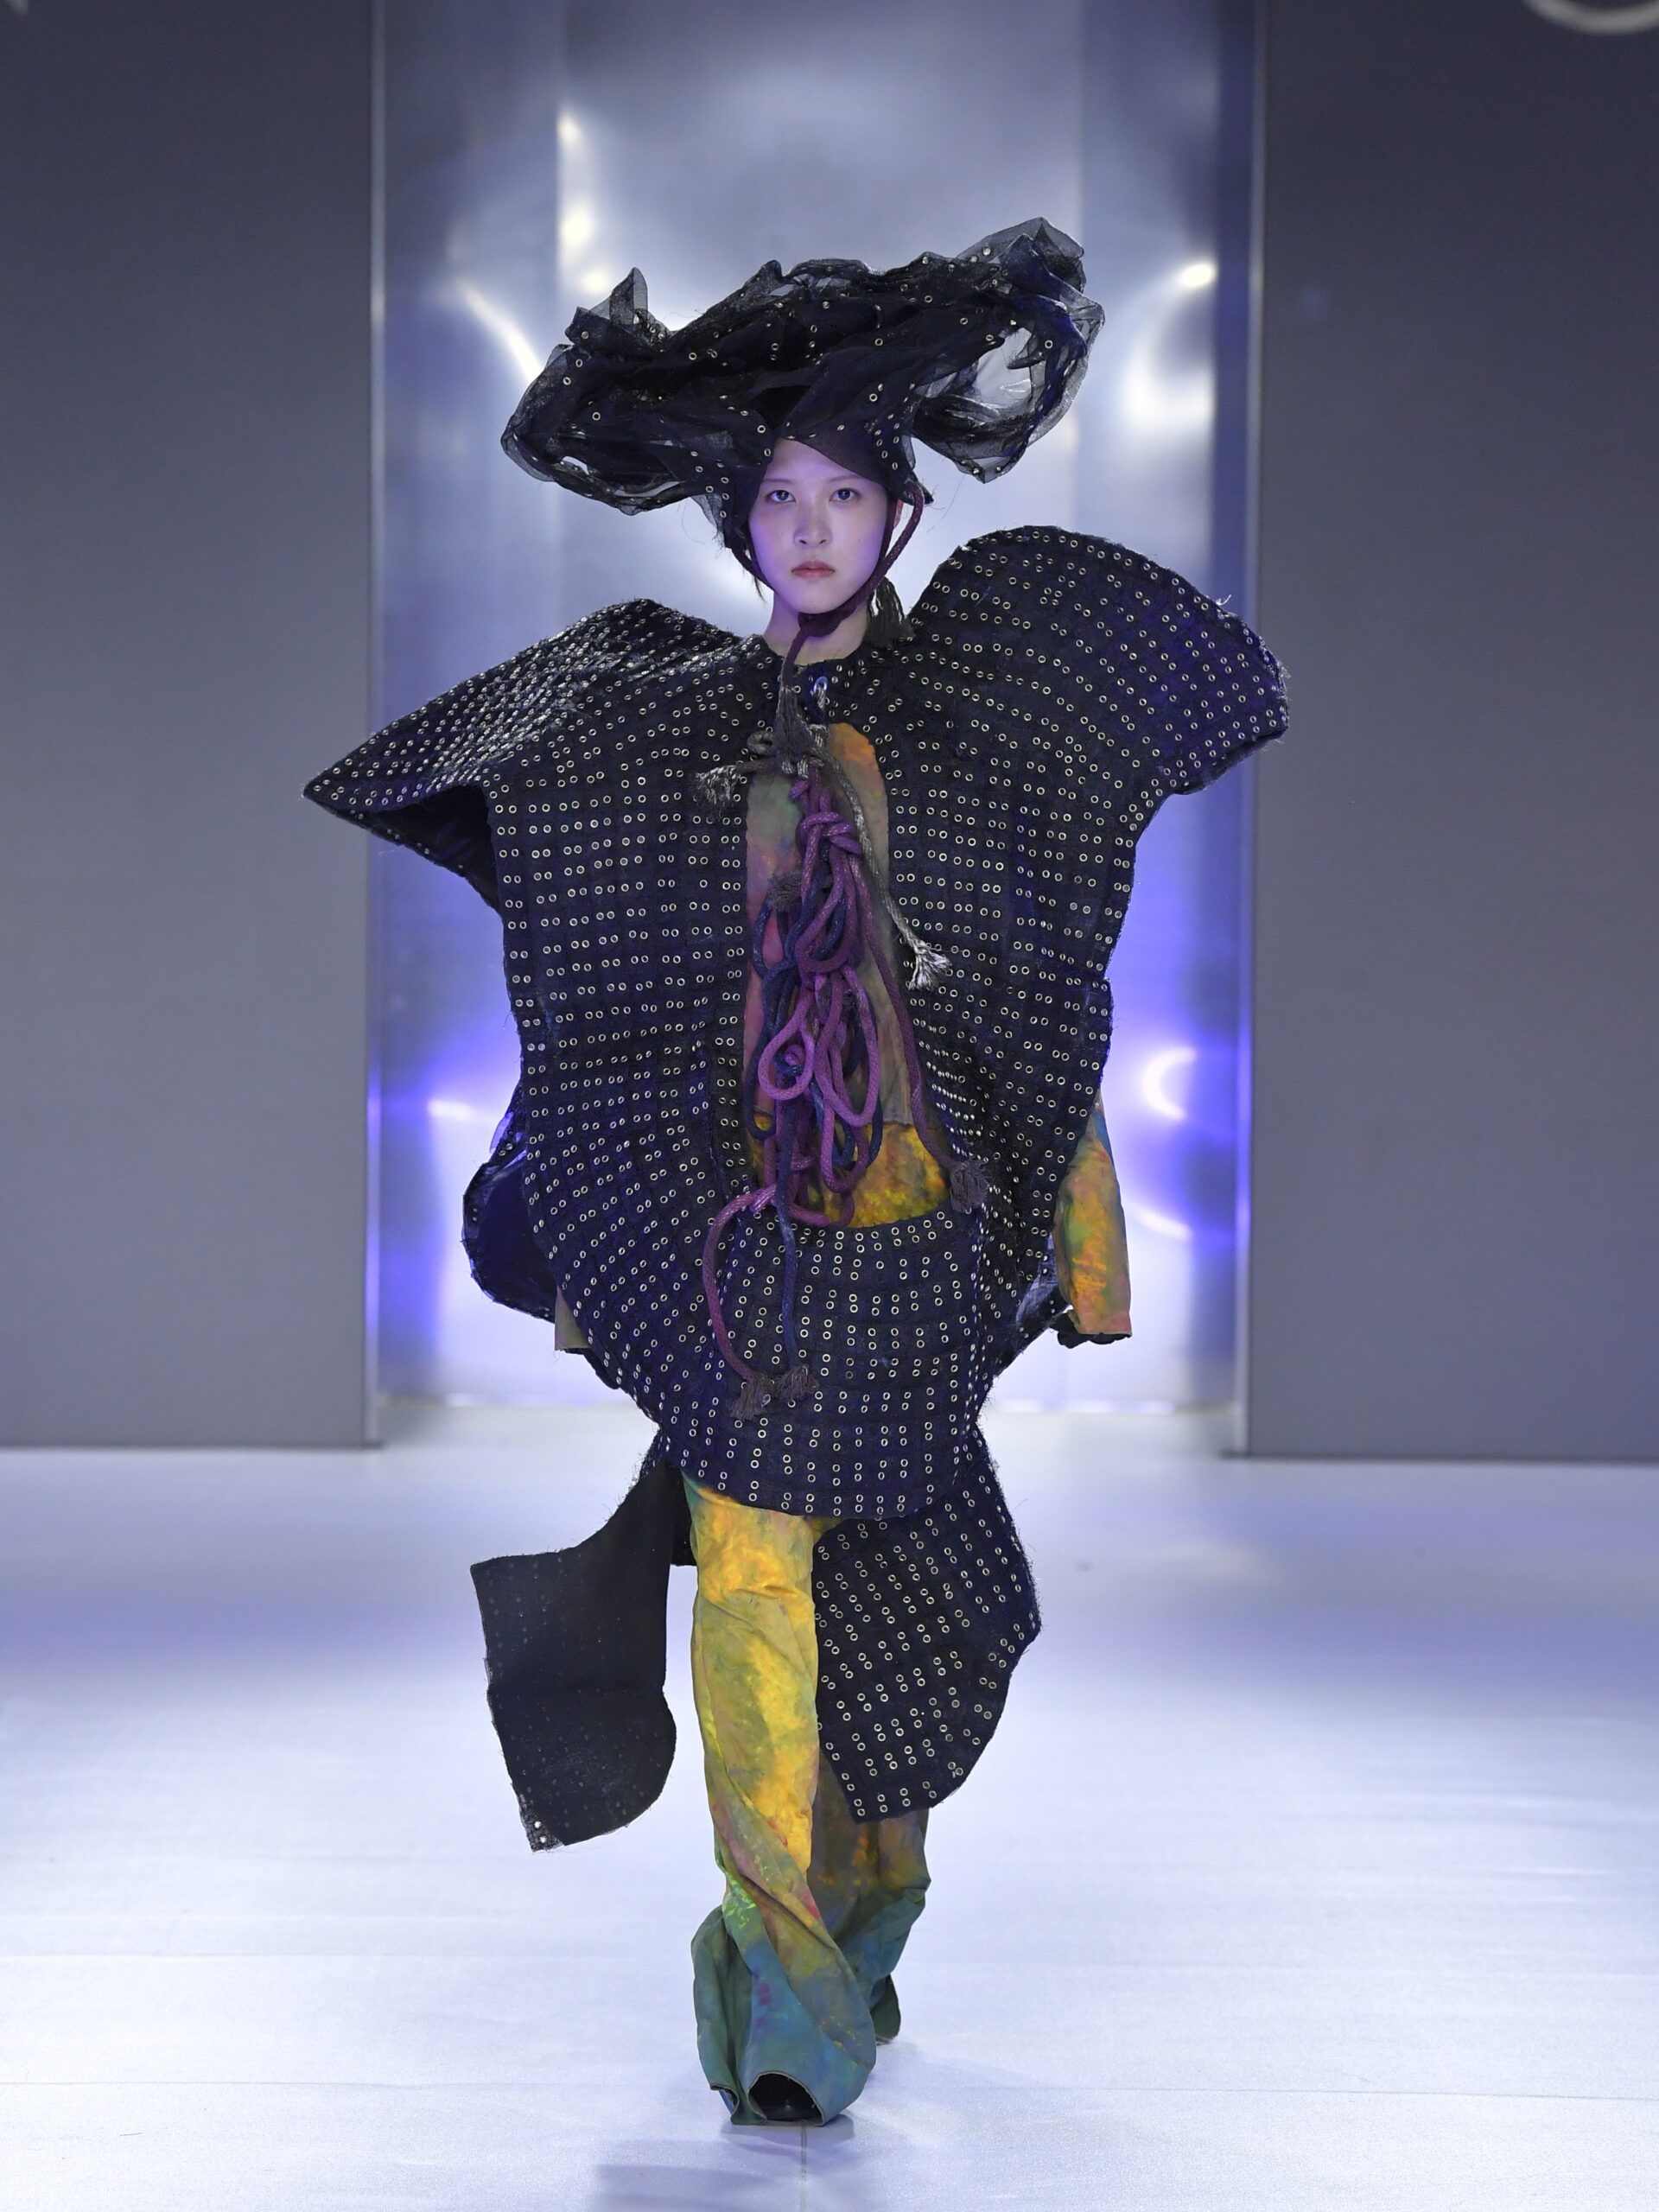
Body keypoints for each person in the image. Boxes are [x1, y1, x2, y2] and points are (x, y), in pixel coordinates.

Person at [304, 218, 1287, 2127]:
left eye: (844, 494)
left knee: (919, 1622)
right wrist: (584, 1221)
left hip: (916, 1237)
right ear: (740, 525)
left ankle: (864, 1914)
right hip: (733, 1239)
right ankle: (781, 2009)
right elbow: (601, 989)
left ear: (900, 517)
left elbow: (1038, 990)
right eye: (779, 496)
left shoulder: (976, 720)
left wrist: (1082, 1242)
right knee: (751, 1596)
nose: (810, 527)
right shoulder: (654, 717)